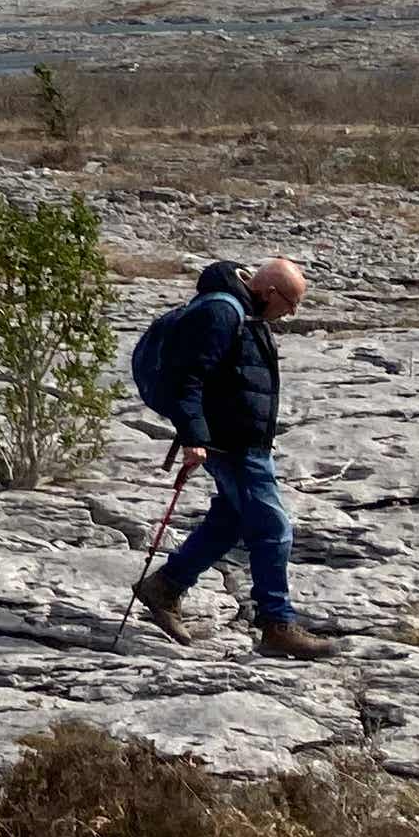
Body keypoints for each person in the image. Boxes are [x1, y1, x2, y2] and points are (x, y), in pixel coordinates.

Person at [131, 255, 336, 660]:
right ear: (270, 292)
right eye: (290, 304)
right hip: (232, 444)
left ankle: (165, 587)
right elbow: (186, 377)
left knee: (230, 522)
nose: (290, 314)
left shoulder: (242, 310)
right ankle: (277, 623)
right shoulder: (222, 312)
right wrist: (193, 436)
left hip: (244, 440)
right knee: (273, 529)